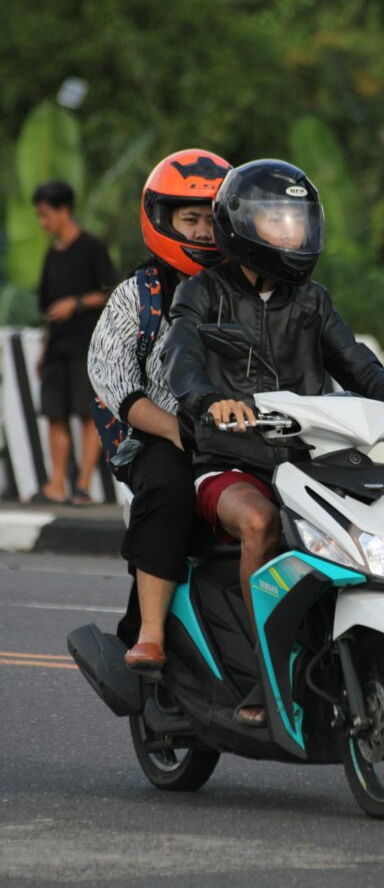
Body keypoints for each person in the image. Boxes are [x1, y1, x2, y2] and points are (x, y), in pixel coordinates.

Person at [161, 158, 384, 724]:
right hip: (228, 461)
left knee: (362, 533)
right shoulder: (201, 294)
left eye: (297, 220)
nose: (290, 232)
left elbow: (359, 365)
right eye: (275, 219)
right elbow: (182, 361)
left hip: (308, 462)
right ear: (241, 224)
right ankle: (262, 680)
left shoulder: (312, 300)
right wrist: (208, 401)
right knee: (261, 524)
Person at [87, 148, 232, 671]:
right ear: (161, 218)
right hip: (155, 438)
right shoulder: (137, 295)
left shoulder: (251, 287)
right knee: (170, 487)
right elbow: (118, 388)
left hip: (244, 436)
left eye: (213, 219)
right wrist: (180, 431)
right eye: (189, 218)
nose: (202, 232)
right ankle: (148, 634)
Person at [32, 180, 116, 504]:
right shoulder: (51, 256)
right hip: (56, 346)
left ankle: (82, 486)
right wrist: (43, 349)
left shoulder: (91, 247)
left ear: (63, 210)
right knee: (55, 413)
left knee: (86, 413)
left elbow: (111, 291)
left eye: (45, 214)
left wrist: (76, 304)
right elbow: (46, 309)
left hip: (85, 344)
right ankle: (55, 484)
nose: (43, 223)